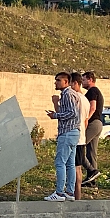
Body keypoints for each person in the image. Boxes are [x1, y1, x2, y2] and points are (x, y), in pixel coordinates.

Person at [45, 72, 80, 202]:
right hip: (74, 132)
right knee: (70, 164)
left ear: (66, 82)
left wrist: (55, 115)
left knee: (60, 162)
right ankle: (70, 192)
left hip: (67, 132)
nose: (56, 82)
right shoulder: (73, 94)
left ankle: (59, 193)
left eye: (58, 80)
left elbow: (72, 113)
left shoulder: (67, 94)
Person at [81, 71, 104, 186]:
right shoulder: (96, 91)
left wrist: (86, 119)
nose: (82, 82)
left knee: (78, 147)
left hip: (93, 123)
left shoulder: (92, 91)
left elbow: (93, 107)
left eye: (84, 80)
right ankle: (92, 181)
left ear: (90, 79)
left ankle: (92, 171)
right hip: (98, 124)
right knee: (91, 153)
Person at [70, 72, 90, 200]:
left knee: (74, 167)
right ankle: (77, 195)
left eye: (70, 83)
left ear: (75, 83)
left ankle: (74, 194)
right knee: (78, 168)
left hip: (74, 137)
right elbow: (86, 121)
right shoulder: (85, 100)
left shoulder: (75, 98)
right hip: (81, 137)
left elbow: (68, 116)